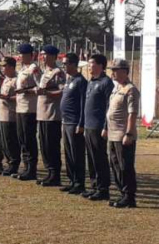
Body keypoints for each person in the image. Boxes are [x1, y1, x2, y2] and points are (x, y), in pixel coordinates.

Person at [107, 58, 140, 208]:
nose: (113, 73)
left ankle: (129, 196)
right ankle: (122, 193)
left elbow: (132, 114)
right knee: (114, 164)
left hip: (123, 134)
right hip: (113, 133)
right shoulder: (117, 88)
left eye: (116, 70)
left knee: (125, 166)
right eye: (112, 70)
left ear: (124, 71)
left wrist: (129, 133)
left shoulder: (130, 89)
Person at [82, 54, 114, 201]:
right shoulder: (91, 81)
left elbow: (109, 106)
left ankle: (103, 188)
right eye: (88, 64)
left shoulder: (106, 82)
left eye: (92, 64)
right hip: (88, 125)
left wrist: (106, 127)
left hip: (98, 126)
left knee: (99, 157)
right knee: (91, 157)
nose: (89, 66)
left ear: (101, 65)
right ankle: (94, 185)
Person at [36, 45, 66, 187]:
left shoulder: (58, 72)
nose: (43, 57)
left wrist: (46, 93)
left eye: (46, 55)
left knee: (51, 145)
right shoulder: (45, 72)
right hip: (42, 114)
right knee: (44, 145)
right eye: (42, 55)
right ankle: (49, 171)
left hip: (52, 114)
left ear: (54, 56)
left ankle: (55, 174)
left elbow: (61, 92)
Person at [60, 53, 88, 195]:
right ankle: (72, 180)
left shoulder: (80, 81)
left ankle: (79, 182)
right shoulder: (68, 80)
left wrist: (81, 123)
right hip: (65, 121)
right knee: (68, 153)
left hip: (74, 122)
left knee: (77, 153)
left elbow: (83, 104)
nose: (63, 66)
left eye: (65, 63)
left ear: (72, 64)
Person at [13, 43, 41, 181]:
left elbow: (39, 87)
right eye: (19, 54)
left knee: (29, 139)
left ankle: (31, 169)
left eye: (22, 54)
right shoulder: (23, 69)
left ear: (30, 55)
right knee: (22, 138)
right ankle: (25, 167)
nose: (20, 57)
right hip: (20, 107)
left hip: (30, 108)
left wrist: (25, 90)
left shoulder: (34, 69)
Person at [0, 57, 20, 176]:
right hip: (3, 114)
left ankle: (14, 164)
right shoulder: (6, 79)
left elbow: (20, 97)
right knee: (4, 141)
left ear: (11, 67)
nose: (2, 68)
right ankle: (8, 162)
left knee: (11, 140)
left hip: (11, 115)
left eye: (4, 66)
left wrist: (7, 98)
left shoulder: (16, 80)